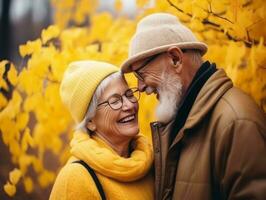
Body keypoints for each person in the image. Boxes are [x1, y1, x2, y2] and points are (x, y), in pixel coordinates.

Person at [121, 13, 266, 200]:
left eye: (141, 75)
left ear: (175, 59)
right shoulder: (182, 116)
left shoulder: (236, 121)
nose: (141, 87)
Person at [50, 61, 154, 200]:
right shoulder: (76, 179)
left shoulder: (151, 164)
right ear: (90, 121)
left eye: (129, 94)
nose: (129, 105)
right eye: (115, 101)